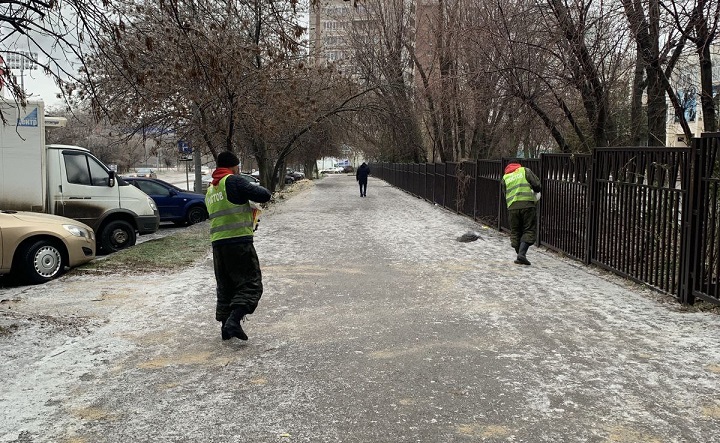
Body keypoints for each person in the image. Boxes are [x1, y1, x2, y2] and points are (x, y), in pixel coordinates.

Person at [205, 151, 272, 341]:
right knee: (251, 284)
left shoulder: (211, 188)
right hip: (239, 242)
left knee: (226, 286)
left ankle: (226, 329)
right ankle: (233, 320)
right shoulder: (233, 180)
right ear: (234, 166)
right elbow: (264, 195)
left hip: (218, 245)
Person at [500, 162, 541, 265]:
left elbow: (505, 193)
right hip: (527, 205)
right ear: (518, 166)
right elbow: (537, 185)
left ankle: (520, 255)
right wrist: (535, 192)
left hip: (512, 207)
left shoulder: (505, 177)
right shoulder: (525, 171)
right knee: (528, 229)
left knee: (515, 231)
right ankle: (521, 254)